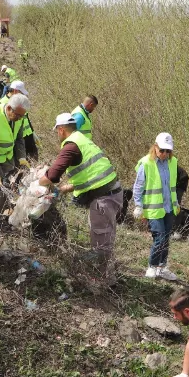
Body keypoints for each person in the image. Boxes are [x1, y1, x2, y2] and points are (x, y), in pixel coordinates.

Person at [39, 112, 123, 273]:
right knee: (105, 237)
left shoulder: (70, 146)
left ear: (61, 130)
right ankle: (107, 274)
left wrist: (36, 183)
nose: (58, 134)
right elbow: (90, 176)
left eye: (57, 131)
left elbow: (53, 175)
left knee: (101, 242)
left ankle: (104, 279)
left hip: (103, 199)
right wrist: (64, 189)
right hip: (112, 193)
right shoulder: (83, 140)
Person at [133, 132, 188, 281]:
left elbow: (172, 186)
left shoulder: (173, 162)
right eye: (162, 150)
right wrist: (138, 206)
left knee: (166, 237)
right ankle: (152, 266)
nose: (164, 154)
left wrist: (176, 204)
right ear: (155, 147)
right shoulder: (146, 163)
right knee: (160, 237)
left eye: (168, 151)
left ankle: (162, 268)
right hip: (152, 208)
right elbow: (138, 187)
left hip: (169, 207)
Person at [0, 93, 30, 183]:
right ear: (9, 108)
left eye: (22, 116)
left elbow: (19, 139)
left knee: (10, 182)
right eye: (18, 115)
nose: (20, 118)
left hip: (8, 159)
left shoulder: (19, 117)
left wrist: (22, 157)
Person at [7, 80, 39, 160]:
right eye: (22, 92)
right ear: (15, 91)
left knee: (34, 159)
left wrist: (33, 132)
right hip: (18, 140)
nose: (23, 95)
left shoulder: (21, 102)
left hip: (28, 136)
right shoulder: (5, 104)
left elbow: (26, 118)